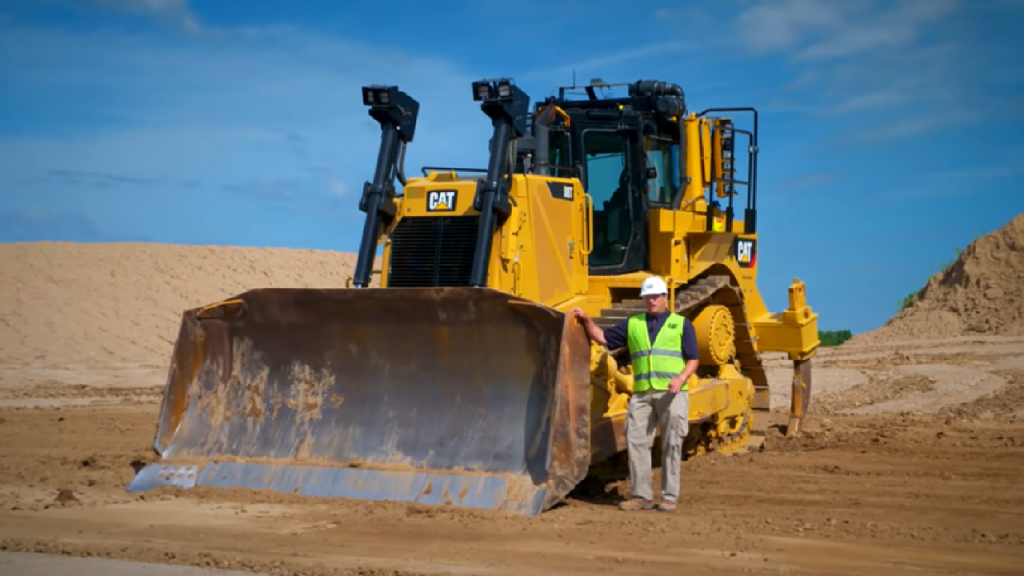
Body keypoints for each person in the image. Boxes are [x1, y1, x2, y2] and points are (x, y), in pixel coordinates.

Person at [572, 276, 699, 513]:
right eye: (647, 297)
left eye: (655, 297)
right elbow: (603, 338)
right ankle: (642, 496)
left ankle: (669, 497)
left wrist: (681, 378)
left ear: (664, 298)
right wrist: (586, 320)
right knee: (637, 442)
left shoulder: (681, 324)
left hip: (672, 394)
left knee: (672, 443)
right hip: (641, 394)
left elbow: (693, 359)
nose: (651, 301)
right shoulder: (633, 324)